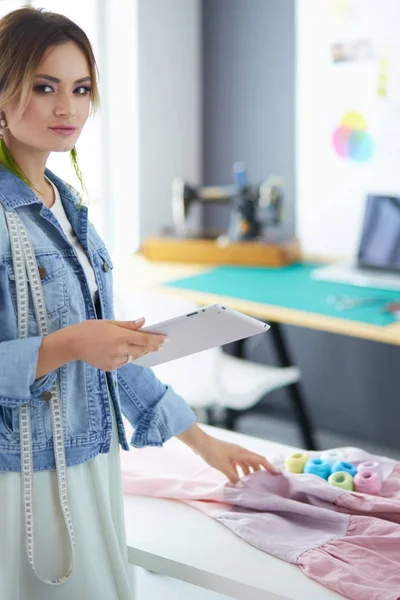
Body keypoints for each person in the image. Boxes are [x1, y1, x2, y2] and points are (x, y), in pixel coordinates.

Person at [0, 7, 278, 599]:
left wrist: (206, 443)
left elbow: (112, 362)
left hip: (88, 461)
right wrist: (72, 343)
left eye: (79, 89)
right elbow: (74, 347)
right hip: (21, 478)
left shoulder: (66, 208)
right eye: (44, 87)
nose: (66, 108)